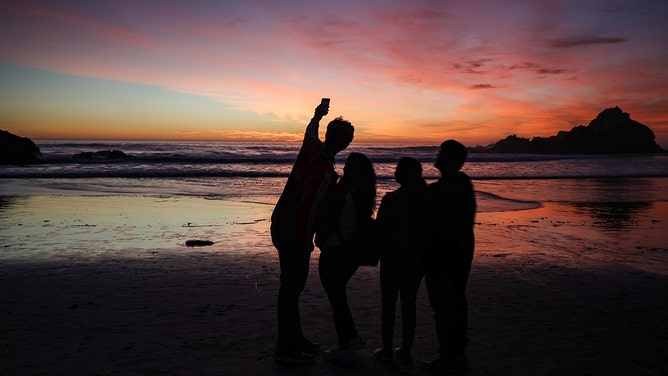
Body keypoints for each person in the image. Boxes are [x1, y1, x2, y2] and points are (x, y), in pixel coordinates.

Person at [270, 100, 355, 366]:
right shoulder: (328, 174)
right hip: (295, 233)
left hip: (280, 223)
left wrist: (317, 114)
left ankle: (295, 339)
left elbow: (309, 131)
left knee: (290, 288)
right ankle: (285, 346)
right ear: (345, 144)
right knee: (291, 289)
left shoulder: (311, 149)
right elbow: (310, 211)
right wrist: (309, 242)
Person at [420, 140, 477, 375]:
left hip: (445, 256)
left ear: (451, 160)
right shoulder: (462, 184)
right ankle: (457, 355)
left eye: (442, 153)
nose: (438, 155)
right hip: (460, 253)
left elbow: (433, 224)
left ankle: (448, 357)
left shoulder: (443, 190)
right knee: (454, 304)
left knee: (444, 307)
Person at [315, 152, 377, 365]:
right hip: (351, 251)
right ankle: (349, 340)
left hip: (334, 250)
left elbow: (328, 221)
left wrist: (319, 240)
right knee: (339, 297)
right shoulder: (363, 194)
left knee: (337, 299)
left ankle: (347, 344)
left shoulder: (341, 192)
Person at [373, 157, 426, 367]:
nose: (394, 172)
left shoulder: (391, 200)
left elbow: (380, 231)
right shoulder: (425, 199)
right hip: (415, 260)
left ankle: (387, 348)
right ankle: (406, 348)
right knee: (408, 304)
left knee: (388, 303)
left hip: (392, 258)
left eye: (398, 169)